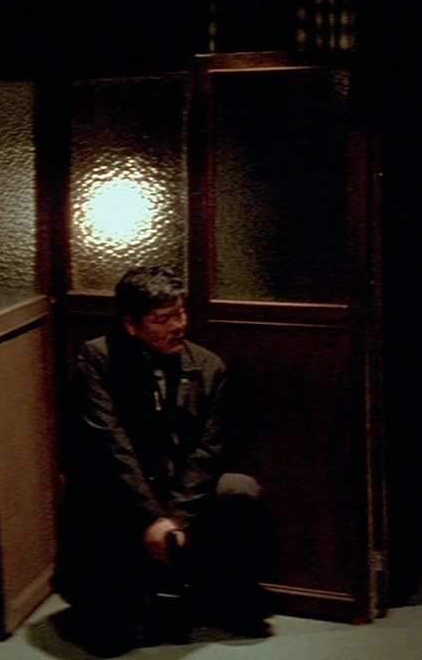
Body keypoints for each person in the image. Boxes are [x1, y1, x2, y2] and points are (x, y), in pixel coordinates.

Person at [55, 265, 273, 653]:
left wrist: (175, 517)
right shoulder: (97, 358)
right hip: (125, 488)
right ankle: (121, 603)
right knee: (115, 639)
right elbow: (111, 445)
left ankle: (223, 596)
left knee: (240, 490)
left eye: (181, 312)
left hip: (180, 488)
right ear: (131, 325)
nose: (179, 325)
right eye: (163, 319)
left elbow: (208, 450)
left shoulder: (208, 366)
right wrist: (152, 516)